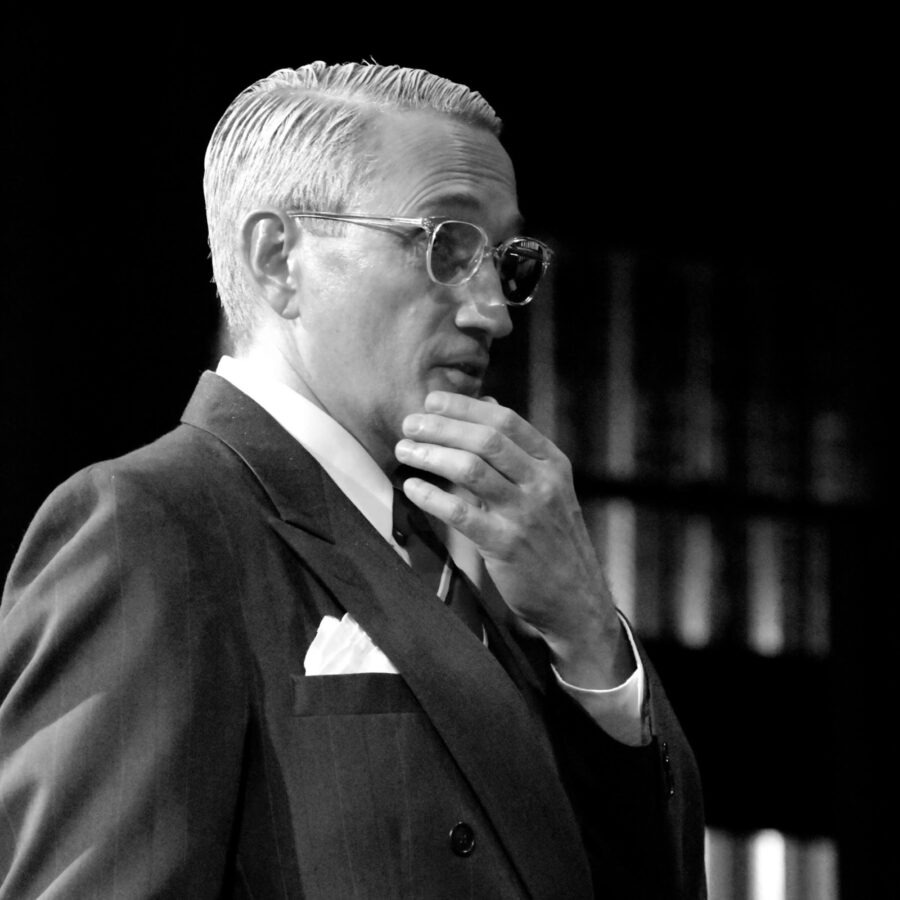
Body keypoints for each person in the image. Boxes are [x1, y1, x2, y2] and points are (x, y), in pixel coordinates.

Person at [0, 61, 705, 898]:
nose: (493, 310)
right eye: (446, 244)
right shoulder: (153, 523)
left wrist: (585, 631)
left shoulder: (479, 569)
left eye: (507, 260)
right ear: (279, 260)